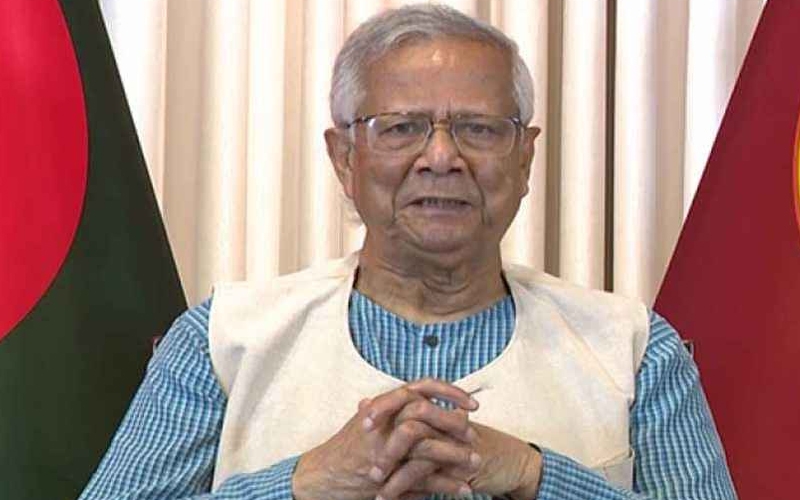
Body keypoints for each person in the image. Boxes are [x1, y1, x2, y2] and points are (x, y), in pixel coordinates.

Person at [80, 4, 737, 500]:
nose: (442, 157)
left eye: (479, 129)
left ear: (525, 157)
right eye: (401, 128)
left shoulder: (634, 350)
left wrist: (537, 476)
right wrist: (302, 484)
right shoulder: (222, 342)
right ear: (345, 158)